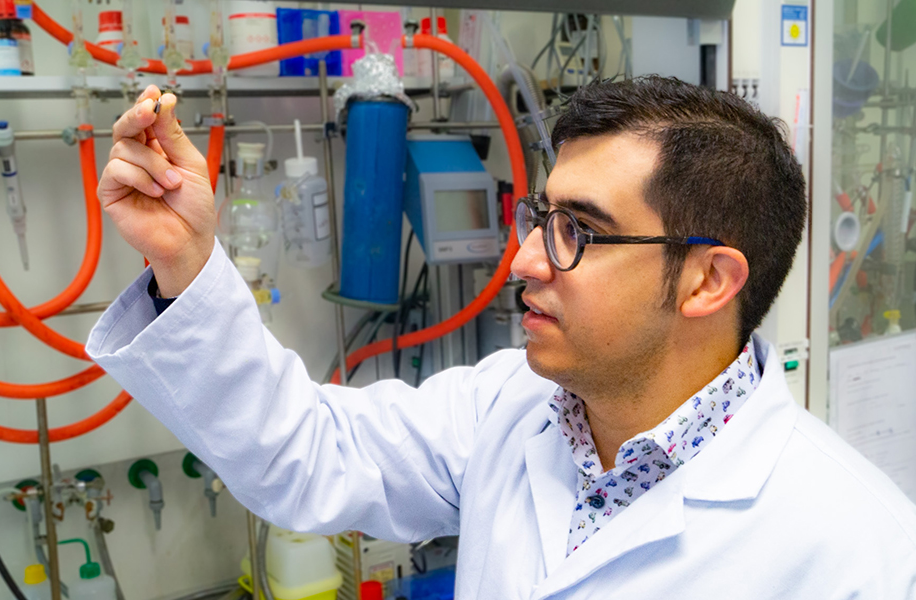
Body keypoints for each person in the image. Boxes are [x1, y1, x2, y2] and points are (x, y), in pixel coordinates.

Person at [87, 77, 916, 598]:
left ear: (708, 281)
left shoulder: (859, 553)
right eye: (539, 217)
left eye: (577, 231)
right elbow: (302, 452)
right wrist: (187, 261)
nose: (523, 259)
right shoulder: (512, 406)